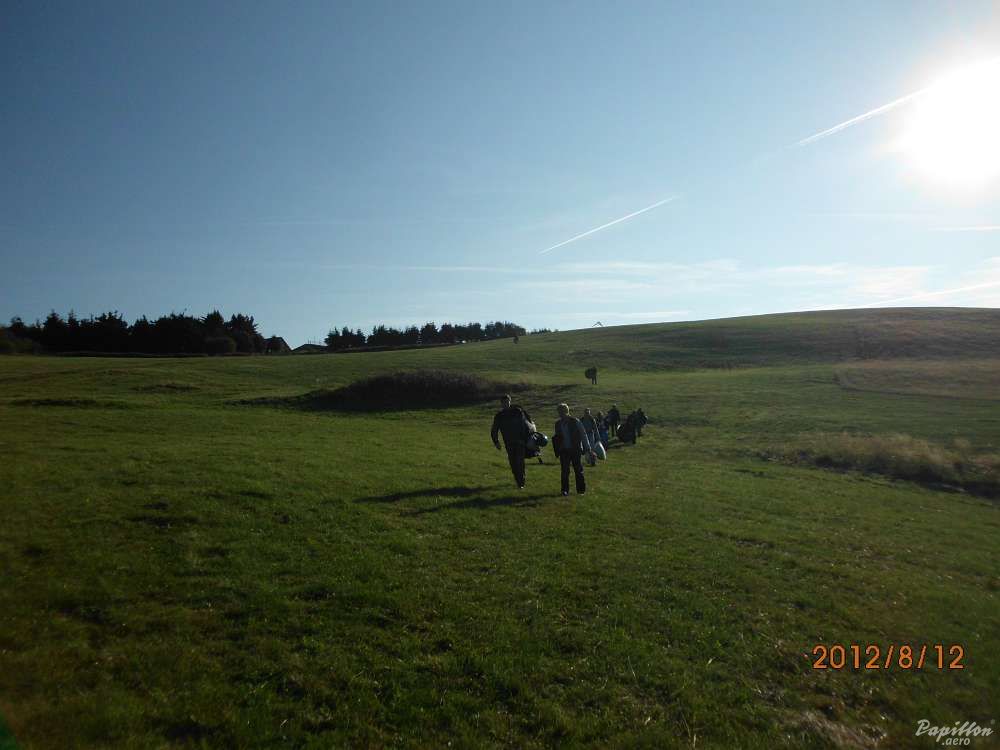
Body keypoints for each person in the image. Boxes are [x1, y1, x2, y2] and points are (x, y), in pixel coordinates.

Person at [491, 394, 533, 489]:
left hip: (520, 442)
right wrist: (496, 442)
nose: (505, 404)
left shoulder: (517, 412)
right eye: (503, 402)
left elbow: (525, 425)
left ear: (510, 402)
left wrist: (527, 439)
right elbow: (494, 429)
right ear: (501, 403)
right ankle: (518, 480)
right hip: (508, 443)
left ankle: (521, 482)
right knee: (513, 463)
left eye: (507, 402)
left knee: (520, 462)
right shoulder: (499, 416)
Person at [553, 403, 595, 496]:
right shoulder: (558, 424)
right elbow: (557, 437)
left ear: (566, 411)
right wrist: (557, 449)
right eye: (559, 412)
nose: (559, 414)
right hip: (564, 450)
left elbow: (583, 434)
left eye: (560, 412)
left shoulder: (575, 421)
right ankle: (564, 490)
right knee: (564, 471)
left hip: (575, 449)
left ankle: (581, 490)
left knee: (578, 470)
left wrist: (588, 448)